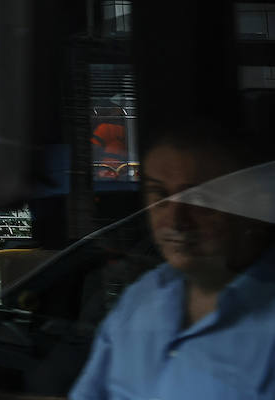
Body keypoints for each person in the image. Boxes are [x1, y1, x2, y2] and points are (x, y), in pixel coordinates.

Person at [70, 123, 275, 400]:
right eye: (161, 197)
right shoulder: (143, 297)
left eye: (199, 198)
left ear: (254, 208)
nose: (176, 221)